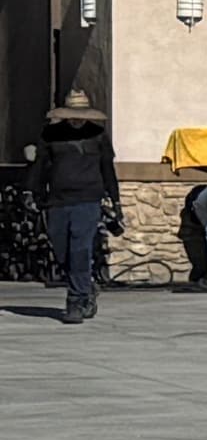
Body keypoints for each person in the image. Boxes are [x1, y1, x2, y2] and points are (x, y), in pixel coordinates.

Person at [31, 90, 122, 323]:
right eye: (72, 114)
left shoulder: (98, 135)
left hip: (88, 199)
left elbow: (107, 169)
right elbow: (41, 166)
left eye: (80, 115)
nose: (76, 119)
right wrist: (34, 193)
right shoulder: (50, 134)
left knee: (79, 249)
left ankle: (77, 300)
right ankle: (86, 286)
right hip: (58, 201)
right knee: (62, 250)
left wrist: (115, 200)